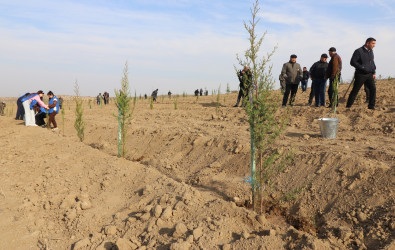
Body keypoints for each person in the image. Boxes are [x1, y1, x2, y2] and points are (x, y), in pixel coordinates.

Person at [347, 38, 377, 110]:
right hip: (360, 75)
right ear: (367, 43)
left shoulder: (371, 51)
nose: (374, 45)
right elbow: (353, 62)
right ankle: (348, 106)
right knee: (355, 90)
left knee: (373, 89)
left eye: (374, 44)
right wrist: (362, 67)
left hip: (369, 74)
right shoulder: (358, 51)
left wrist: (373, 72)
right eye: (373, 43)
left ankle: (371, 106)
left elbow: (372, 62)